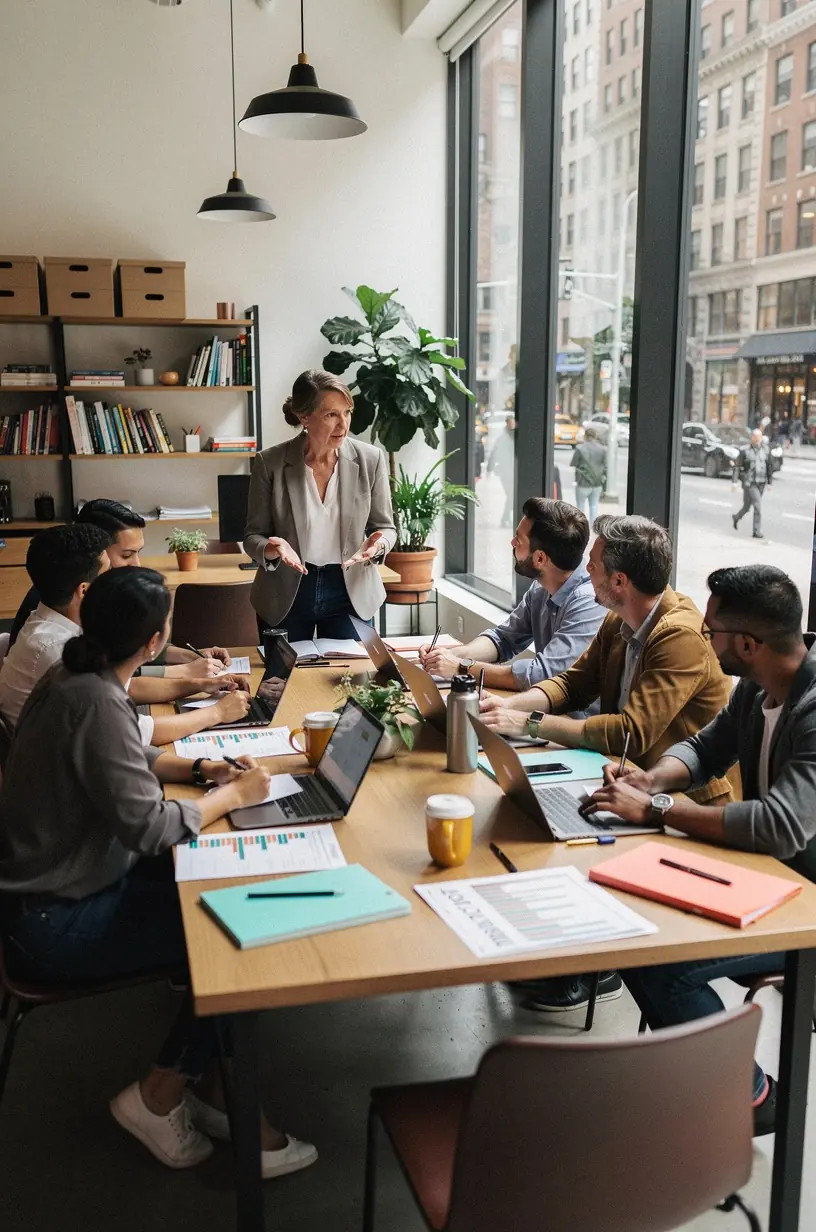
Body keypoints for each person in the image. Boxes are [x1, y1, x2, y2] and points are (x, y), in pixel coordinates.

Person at [0, 567, 317, 1175]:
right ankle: (161, 1094)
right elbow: (149, 828)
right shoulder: (93, 697)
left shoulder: (78, 675)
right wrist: (236, 794)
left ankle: (212, 1085)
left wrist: (202, 771)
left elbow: (128, 755)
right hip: (51, 922)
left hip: (58, 888)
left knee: (225, 905)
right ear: (153, 643)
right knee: (234, 940)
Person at [582, 565, 816, 1136]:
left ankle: (752, 1094)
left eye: (712, 632)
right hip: (763, 877)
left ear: (747, 644)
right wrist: (652, 781)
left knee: (667, 965)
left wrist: (660, 811)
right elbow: (708, 746)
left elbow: (782, 826)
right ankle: (694, 1071)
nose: (705, 640)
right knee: (630, 929)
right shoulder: (759, 684)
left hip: (806, 904)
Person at [480, 514, 736, 1013]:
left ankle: (592, 967)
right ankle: (569, 956)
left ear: (619, 581)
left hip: (684, 800)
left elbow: (629, 731)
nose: (586, 572)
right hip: (625, 779)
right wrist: (516, 706)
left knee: (559, 833)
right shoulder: (620, 620)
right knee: (529, 815)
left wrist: (529, 726)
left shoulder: (679, 636)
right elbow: (574, 684)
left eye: (593, 565)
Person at [1, 524, 250, 741]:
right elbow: (134, 732)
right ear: (85, 590)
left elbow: (128, 686)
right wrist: (217, 713)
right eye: (108, 572)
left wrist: (202, 685)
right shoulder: (54, 648)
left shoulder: (54, 623)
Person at [244, 370, 396, 641]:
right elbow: (252, 535)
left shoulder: (370, 460)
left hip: (350, 590)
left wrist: (378, 545)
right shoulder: (270, 463)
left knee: (348, 680)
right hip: (287, 590)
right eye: (331, 415)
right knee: (283, 681)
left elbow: (385, 527)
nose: (343, 425)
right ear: (304, 417)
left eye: (346, 412)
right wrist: (271, 548)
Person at [9, 500, 230, 676]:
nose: (137, 565)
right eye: (126, 555)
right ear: (97, 551)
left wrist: (190, 657)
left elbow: (124, 651)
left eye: (138, 552)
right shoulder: (63, 606)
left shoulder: (95, 595)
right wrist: (183, 672)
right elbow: (111, 677)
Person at [419, 498, 604, 697]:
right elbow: (504, 639)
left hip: (574, 721)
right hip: (542, 711)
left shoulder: (589, 602)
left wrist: (461, 668)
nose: (512, 543)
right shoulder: (541, 586)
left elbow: (540, 675)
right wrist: (450, 656)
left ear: (540, 558)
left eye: (519, 539)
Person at [733, 427, 772, 540]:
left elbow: (769, 466)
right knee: (757, 505)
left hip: (761, 482)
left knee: (746, 506)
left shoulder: (765, 450)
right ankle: (756, 531)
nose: (757, 439)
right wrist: (734, 482)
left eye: (759, 437)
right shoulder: (745, 451)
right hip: (750, 483)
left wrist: (770, 483)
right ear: (752, 438)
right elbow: (737, 466)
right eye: (755, 437)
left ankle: (736, 517)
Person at [570, 426, 607, 524]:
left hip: (582, 481)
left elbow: (573, 463)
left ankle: (582, 526)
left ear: (585, 436)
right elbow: (605, 466)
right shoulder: (602, 449)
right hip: (597, 482)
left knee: (580, 505)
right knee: (594, 505)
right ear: (595, 436)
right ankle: (593, 526)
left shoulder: (579, 448)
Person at [487, 414, 516, 527]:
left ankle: (506, 518)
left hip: (512, 470)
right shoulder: (503, 437)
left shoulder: (515, 435)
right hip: (506, 471)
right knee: (510, 495)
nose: (512, 424)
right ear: (507, 423)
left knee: (511, 496)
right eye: (510, 422)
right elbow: (494, 452)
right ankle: (505, 519)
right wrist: (489, 468)